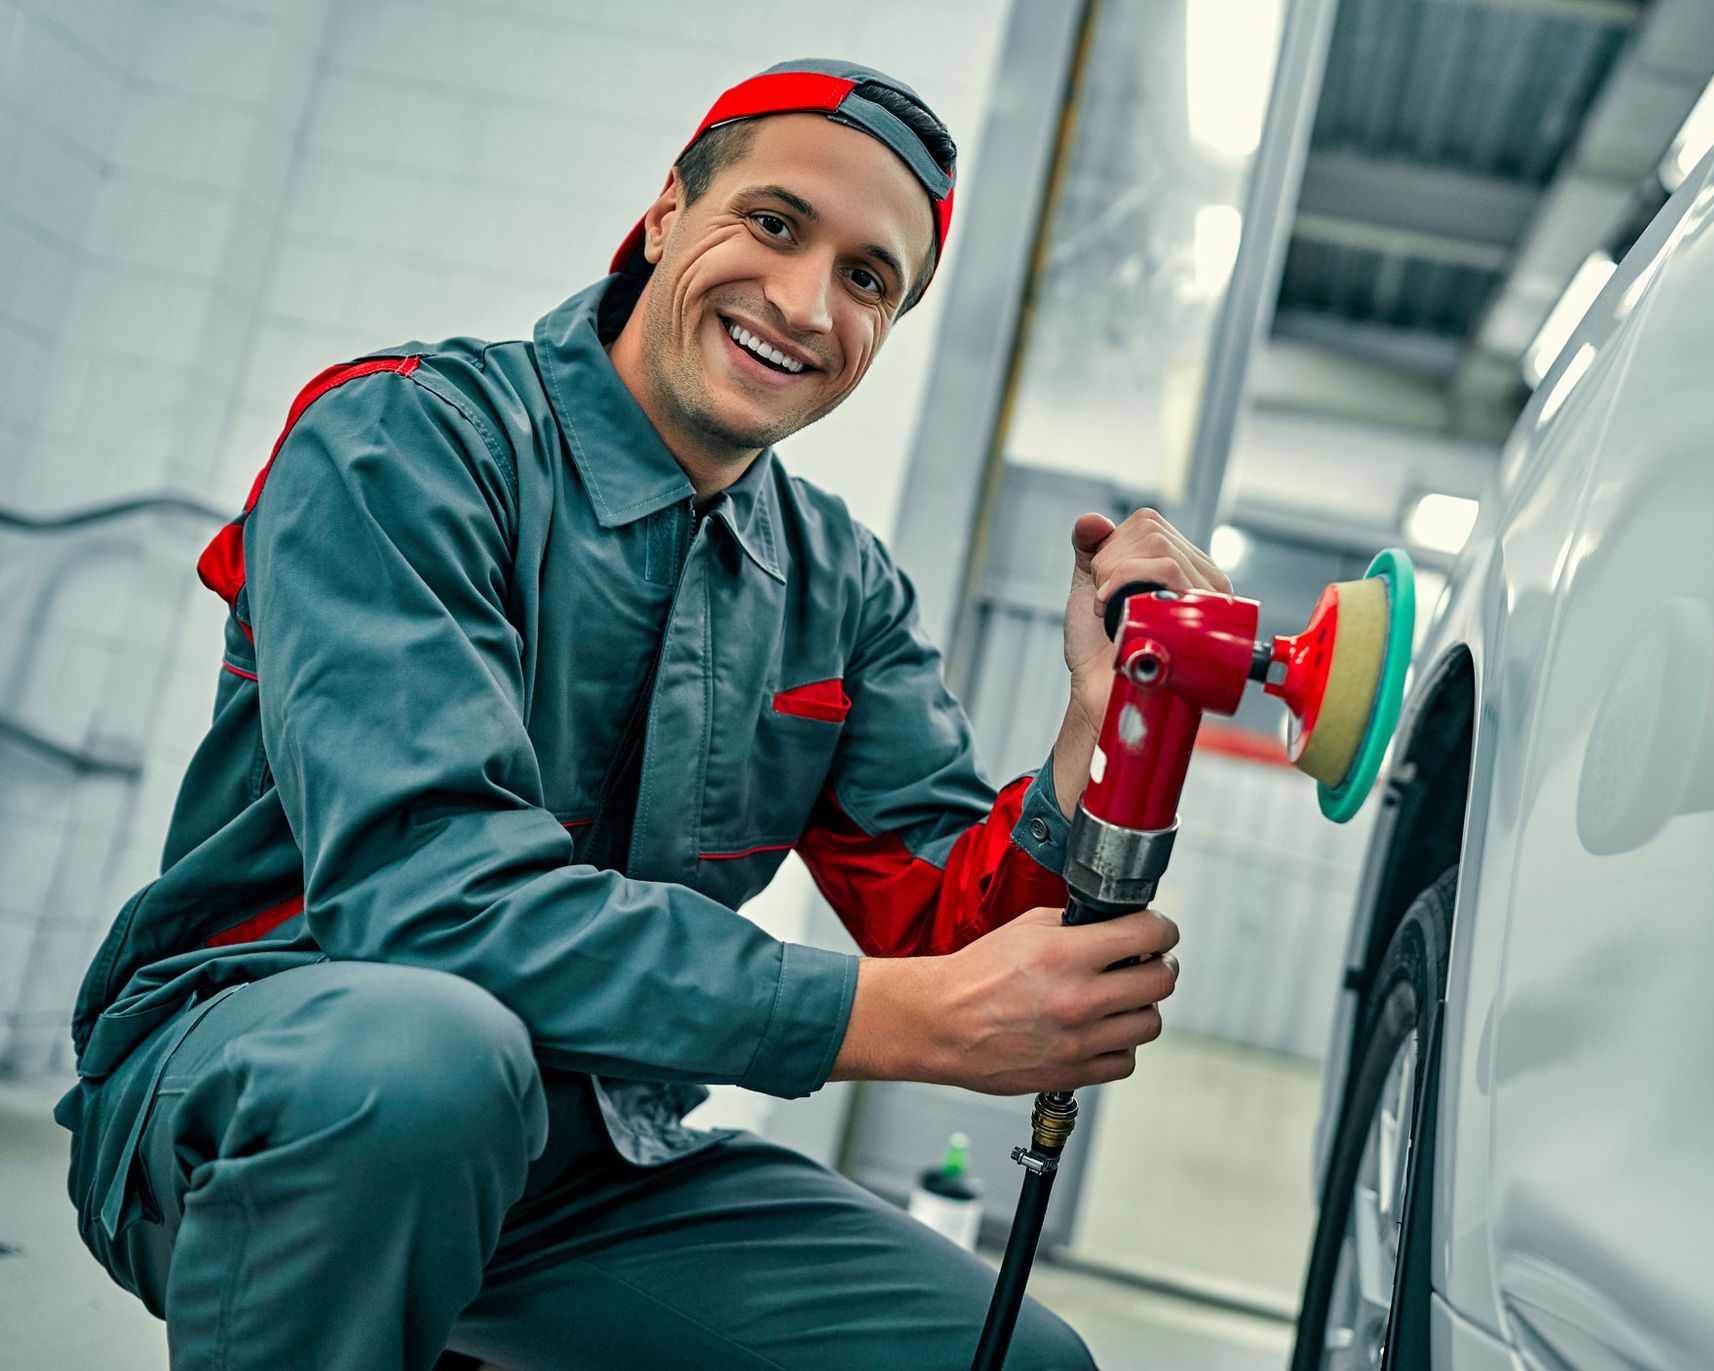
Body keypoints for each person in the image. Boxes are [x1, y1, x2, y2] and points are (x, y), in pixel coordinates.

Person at [55, 60, 1229, 1370]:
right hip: (275, 1091)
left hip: (585, 1164)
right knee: (430, 1058)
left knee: (1014, 1360)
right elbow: (428, 898)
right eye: (775, 225)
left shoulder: (839, 588)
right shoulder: (405, 440)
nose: (803, 301)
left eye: (867, 278)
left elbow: (950, 923)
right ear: (667, 209)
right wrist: (897, 1021)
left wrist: (1092, 723)